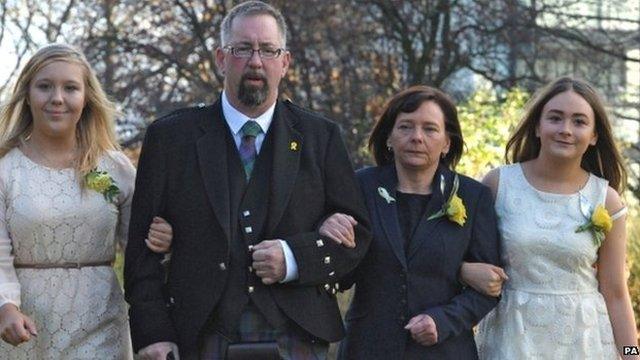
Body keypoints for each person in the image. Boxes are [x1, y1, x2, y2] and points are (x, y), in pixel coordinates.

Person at [123, 1, 371, 359]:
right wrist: (153, 333)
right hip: (200, 332)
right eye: (243, 49)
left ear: (284, 62)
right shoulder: (171, 138)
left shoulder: (321, 136)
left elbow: (357, 239)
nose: (256, 61)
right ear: (222, 58)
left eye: (268, 50)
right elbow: (141, 254)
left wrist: (293, 258)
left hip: (297, 333)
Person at [0, 43, 172, 359]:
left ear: (86, 98)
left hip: (100, 324)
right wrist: (5, 306)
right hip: (24, 328)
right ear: (27, 94)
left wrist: (163, 240)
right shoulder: (6, 170)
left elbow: (140, 250)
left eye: (70, 88)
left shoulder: (114, 168)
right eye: (44, 87)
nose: (57, 98)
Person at [326, 85, 501, 359]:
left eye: (430, 129)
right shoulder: (360, 186)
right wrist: (329, 231)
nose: (417, 137)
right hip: (368, 348)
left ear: (446, 142)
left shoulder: (473, 196)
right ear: (389, 137)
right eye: (405, 127)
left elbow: (490, 288)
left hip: (444, 350)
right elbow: (341, 273)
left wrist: (443, 321)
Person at [471, 77, 639, 359]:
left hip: (584, 344)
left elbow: (616, 293)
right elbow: (462, 257)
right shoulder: (498, 184)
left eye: (579, 121)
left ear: (594, 135)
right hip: (511, 338)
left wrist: (634, 355)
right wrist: (467, 270)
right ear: (538, 126)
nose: (565, 130)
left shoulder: (606, 200)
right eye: (555, 118)